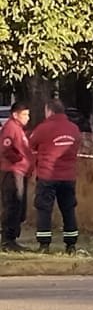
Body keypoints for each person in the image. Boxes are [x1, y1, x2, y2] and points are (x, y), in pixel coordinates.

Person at [28, 100, 82, 255]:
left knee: (44, 210)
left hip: (47, 176)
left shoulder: (43, 128)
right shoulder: (73, 129)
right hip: (68, 177)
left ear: (49, 111)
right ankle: (71, 245)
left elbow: (31, 145)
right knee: (68, 210)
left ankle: (44, 245)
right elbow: (76, 145)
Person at [1, 102, 32, 251]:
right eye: (24, 114)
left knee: (19, 206)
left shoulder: (19, 129)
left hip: (20, 171)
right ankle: (8, 240)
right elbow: (5, 148)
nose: (28, 118)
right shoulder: (11, 128)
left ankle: (12, 238)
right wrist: (19, 160)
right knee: (12, 205)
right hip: (12, 171)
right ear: (15, 115)